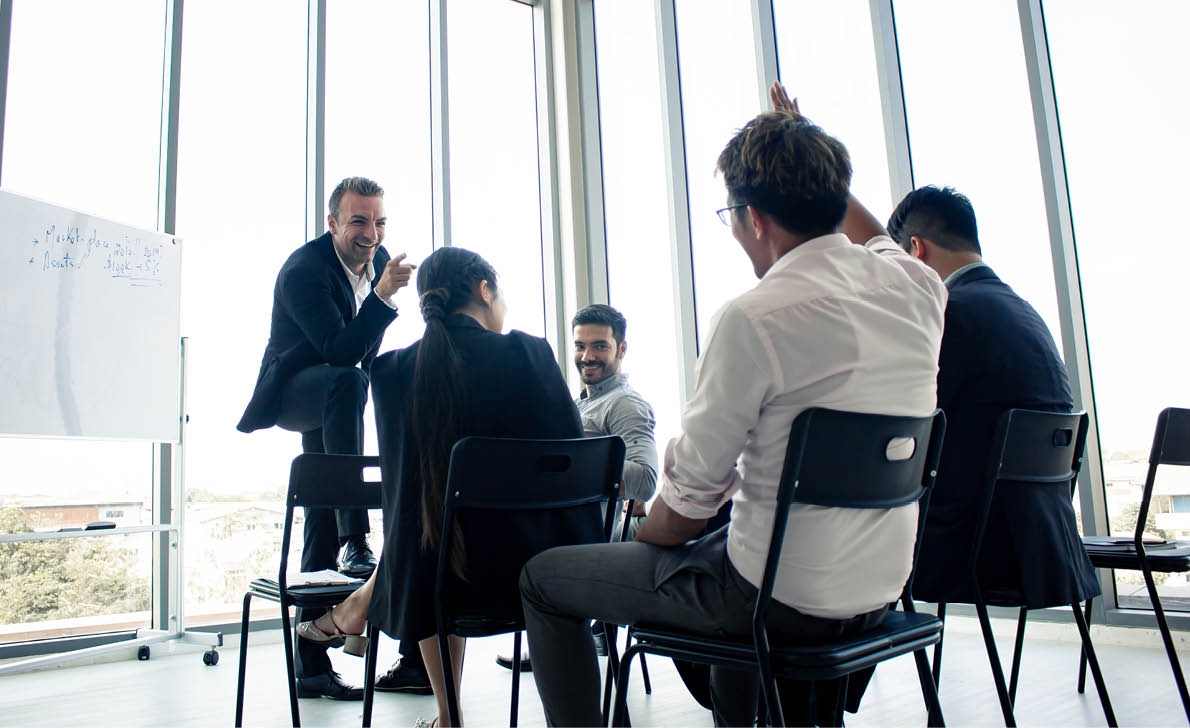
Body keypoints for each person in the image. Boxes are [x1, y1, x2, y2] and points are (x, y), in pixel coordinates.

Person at [518, 82, 947, 727]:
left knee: (545, 578)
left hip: (777, 596)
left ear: (755, 220)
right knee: (728, 546)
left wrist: (643, 543)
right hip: (880, 588)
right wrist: (813, 156)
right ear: (831, 199)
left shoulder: (754, 318)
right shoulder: (919, 289)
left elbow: (688, 503)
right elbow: (875, 235)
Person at [297, 246, 587, 727]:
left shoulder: (390, 372)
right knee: (429, 528)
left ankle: (447, 713)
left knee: (421, 528)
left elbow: (402, 505)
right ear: (483, 289)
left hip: (437, 584)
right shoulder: (530, 353)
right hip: (543, 573)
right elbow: (573, 465)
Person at [237, 176, 428, 699]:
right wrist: (385, 298)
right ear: (332, 223)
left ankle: (311, 667)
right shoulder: (305, 271)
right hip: (299, 388)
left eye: (379, 222)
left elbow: (366, 347)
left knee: (316, 507)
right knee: (349, 378)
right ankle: (356, 536)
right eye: (359, 222)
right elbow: (339, 350)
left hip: (341, 399)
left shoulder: (378, 257)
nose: (371, 234)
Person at [886, 185, 1099, 609]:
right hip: (1046, 544)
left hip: (973, 548)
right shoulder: (1023, 312)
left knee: (841, 542)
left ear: (916, 250)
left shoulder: (950, 312)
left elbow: (905, 423)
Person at [496, 303, 660, 670]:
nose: (587, 357)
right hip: (567, 525)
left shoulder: (624, 404)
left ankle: (555, 636)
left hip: (590, 534)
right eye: (580, 346)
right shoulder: (580, 403)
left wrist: (577, 465)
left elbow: (647, 480)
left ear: (621, 349)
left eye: (600, 346)